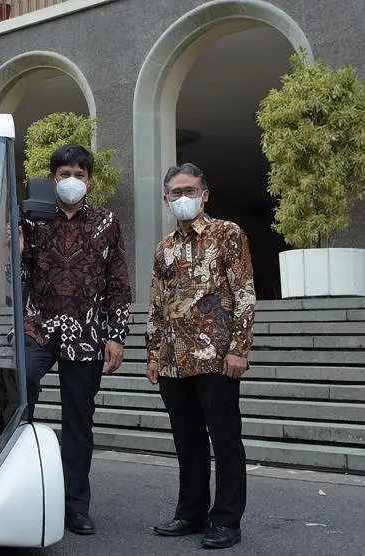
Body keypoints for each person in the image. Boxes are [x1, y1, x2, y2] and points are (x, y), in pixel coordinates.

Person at [14, 144, 131, 535]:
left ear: (90, 180)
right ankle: (18, 487)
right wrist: (12, 248)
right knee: (21, 387)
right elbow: (13, 274)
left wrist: (116, 335)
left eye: (80, 175)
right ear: (52, 179)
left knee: (79, 421)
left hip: (86, 331)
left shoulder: (106, 220)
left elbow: (118, 281)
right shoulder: (32, 219)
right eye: (65, 174)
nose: (72, 181)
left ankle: (75, 505)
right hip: (39, 325)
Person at [146, 163, 255, 549]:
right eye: (175, 193)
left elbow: (244, 294)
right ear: (165, 199)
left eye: (189, 191)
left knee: (225, 440)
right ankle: (191, 513)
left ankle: (226, 520)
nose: (183, 198)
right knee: (187, 440)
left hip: (217, 358)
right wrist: (154, 354)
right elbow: (158, 305)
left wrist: (240, 349)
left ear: (204, 193)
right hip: (175, 360)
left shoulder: (228, 234)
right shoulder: (164, 248)